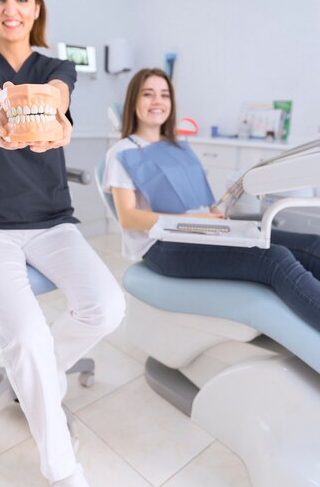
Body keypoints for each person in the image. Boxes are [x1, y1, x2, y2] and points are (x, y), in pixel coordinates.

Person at [0, 0, 125, 487]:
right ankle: (63, 475)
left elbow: (60, 100)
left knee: (107, 306)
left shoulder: (56, 69)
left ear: (36, 6)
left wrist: (55, 116)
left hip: (51, 221)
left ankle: (35, 381)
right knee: (25, 336)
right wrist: (2, 103)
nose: (10, 9)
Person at [103, 67, 320, 332]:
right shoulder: (121, 152)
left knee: (312, 246)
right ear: (133, 101)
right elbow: (128, 217)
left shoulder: (177, 146)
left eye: (164, 95)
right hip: (163, 245)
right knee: (274, 259)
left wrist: (225, 203)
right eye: (148, 94)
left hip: (206, 229)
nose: (158, 101)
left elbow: (201, 201)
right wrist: (190, 220)